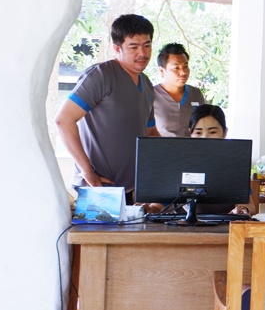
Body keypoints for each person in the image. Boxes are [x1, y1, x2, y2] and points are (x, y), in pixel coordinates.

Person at [55, 14, 160, 195]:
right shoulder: (101, 75)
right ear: (117, 48)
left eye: (147, 45)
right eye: (133, 47)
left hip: (131, 190)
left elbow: (150, 133)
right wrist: (87, 172)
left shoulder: (148, 85)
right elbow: (63, 120)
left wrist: (177, 158)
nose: (142, 53)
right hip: (98, 188)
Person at [182, 104, 253, 216]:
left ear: (224, 133)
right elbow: (158, 203)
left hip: (225, 224)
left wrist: (241, 209)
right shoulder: (179, 162)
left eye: (212, 132)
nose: (205, 138)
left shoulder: (235, 165)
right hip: (180, 225)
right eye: (198, 133)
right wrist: (153, 208)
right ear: (190, 133)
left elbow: (249, 205)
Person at [152, 43, 206, 137]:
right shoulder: (150, 95)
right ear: (162, 71)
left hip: (193, 146)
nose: (183, 72)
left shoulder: (196, 94)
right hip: (161, 146)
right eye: (176, 68)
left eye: (185, 66)